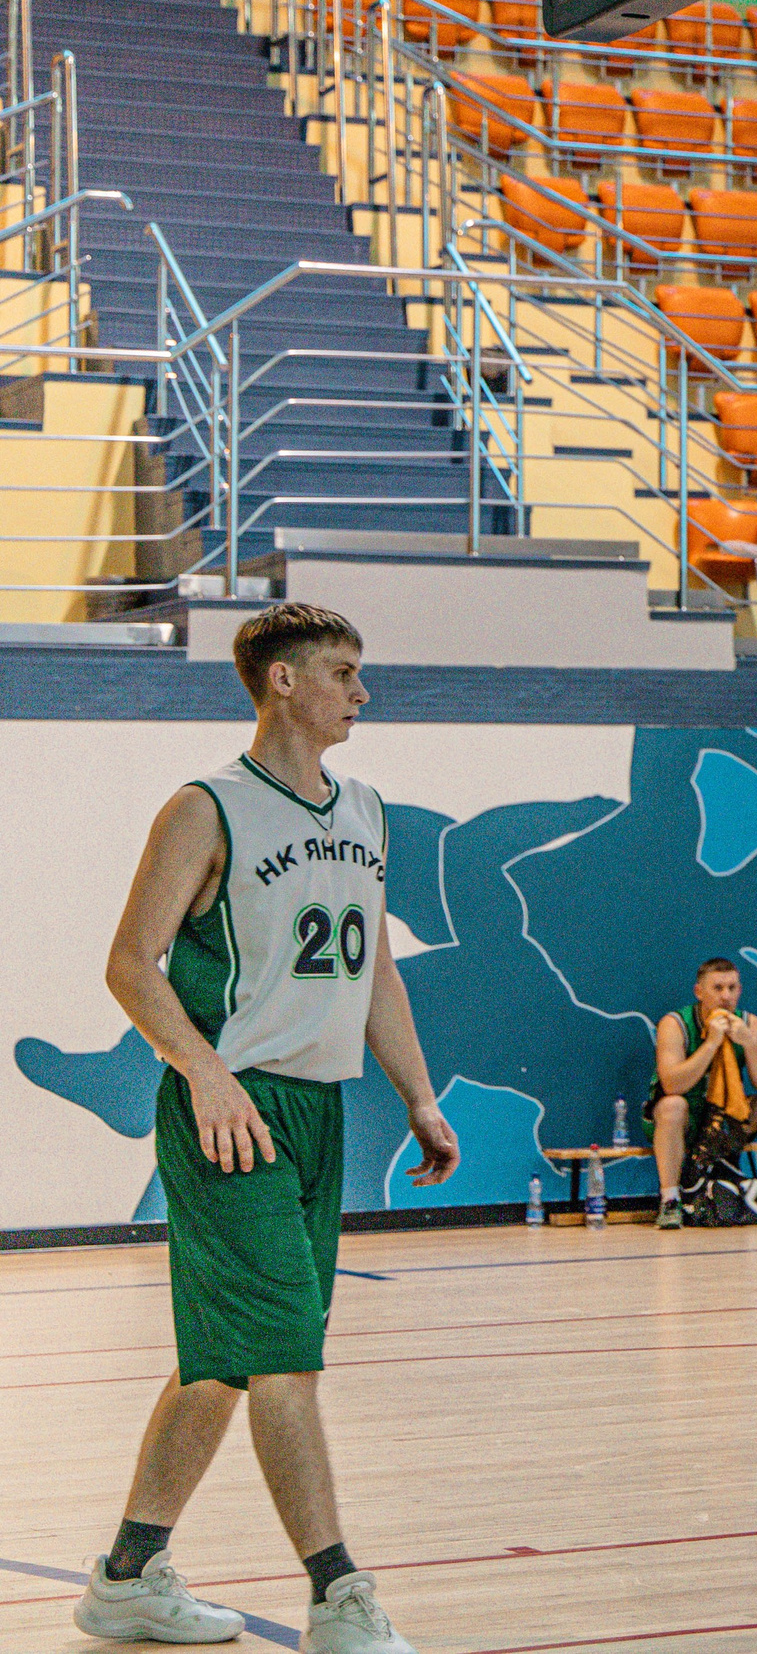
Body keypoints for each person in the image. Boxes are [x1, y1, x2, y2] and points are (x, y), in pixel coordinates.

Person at [77, 603, 458, 1654]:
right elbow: (129, 963)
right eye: (342, 671)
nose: (360, 691)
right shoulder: (208, 808)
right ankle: (339, 1593)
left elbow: (373, 964)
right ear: (283, 681)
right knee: (286, 1349)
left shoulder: (369, 809)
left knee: (230, 1357)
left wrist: (419, 1094)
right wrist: (201, 1070)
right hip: (230, 1108)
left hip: (318, 1105)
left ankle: (127, 1572)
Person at [645, 957, 757, 1227]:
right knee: (672, 1105)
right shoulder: (675, 1023)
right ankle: (670, 1201)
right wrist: (711, 1044)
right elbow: (672, 1085)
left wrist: (750, 1043)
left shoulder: (749, 1023)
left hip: (726, 1118)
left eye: (732, 988)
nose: (726, 996)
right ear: (699, 992)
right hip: (685, 1117)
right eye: (717, 988)